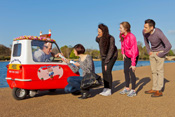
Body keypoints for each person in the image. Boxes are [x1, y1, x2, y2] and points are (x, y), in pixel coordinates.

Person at [143, 19, 172, 97]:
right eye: (144, 26)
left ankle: (159, 90)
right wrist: (149, 51)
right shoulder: (144, 32)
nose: (144, 28)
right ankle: (154, 88)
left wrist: (162, 53)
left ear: (151, 27)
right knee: (153, 71)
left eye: (146, 27)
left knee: (159, 71)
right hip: (152, 52)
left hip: (160, 52)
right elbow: (146, 42)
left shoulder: (158, 33)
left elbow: (169, 45)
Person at [96, 23, 118, 96]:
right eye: (98, 31)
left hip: (112, 56)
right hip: (104, 57)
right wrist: (98, 37)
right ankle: (105, 88)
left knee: (107, 70)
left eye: (99, 32)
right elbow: (96, 39)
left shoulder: (111, 38)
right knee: (103, 72)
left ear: (104, 32)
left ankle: (109, 90)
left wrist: (106, 62)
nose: (98, 33)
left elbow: (111, 51)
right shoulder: (100, 38)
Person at [119, 22, 139, 97]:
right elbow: (122, 45)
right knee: (125, 71)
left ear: (126, 28)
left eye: (121, 28)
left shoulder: (132, 37)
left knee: (131, 71)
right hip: (126, 55)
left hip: (134, 55)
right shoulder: (122, 35)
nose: (119, 29)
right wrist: (123, 53)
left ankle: (133, 90)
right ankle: (127, 88)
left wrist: (133, 64)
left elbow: (134, 51)